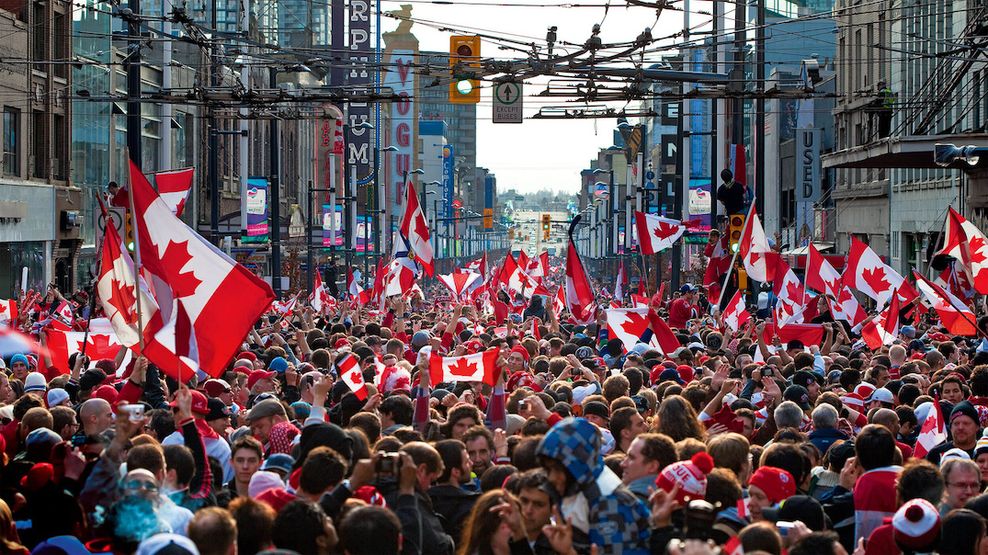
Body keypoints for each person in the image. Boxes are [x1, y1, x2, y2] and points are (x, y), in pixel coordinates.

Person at [537, 417, 651, 553]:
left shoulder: (608, 502)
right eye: (548, 470)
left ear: (576, 463)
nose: (551, 477)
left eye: (557, 470)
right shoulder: (580, 481)